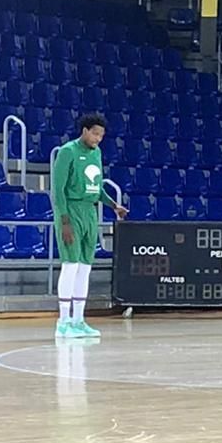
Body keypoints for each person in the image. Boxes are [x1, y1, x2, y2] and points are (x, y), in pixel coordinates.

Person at [50, 112, 128, 339]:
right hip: (71, 211)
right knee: (70, 265)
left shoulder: (97, 153)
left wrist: (114, 205)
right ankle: (63, 322)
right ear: (84, 131)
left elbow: (97, 187)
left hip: (90, 211)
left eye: (101, 135)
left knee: (85, 267)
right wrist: (64, 221)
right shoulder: (67, 152)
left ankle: (79, 320)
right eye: (95, 134)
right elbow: (58, 190)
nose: (98, 139)